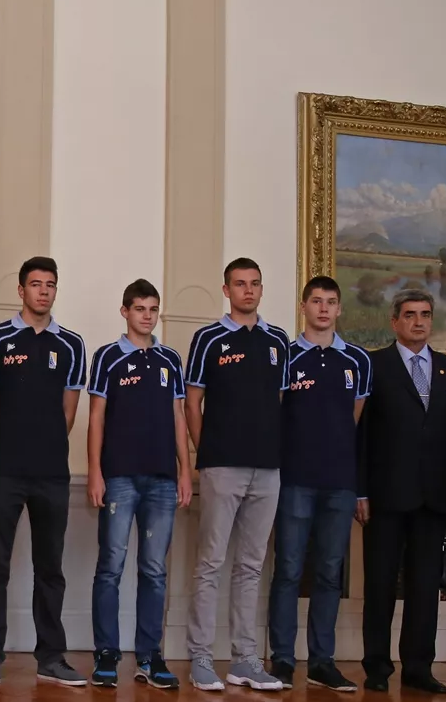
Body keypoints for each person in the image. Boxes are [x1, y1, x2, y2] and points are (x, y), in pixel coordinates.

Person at [0, 256, 88, 688]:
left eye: (50, 284)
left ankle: (51, 658)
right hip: (3, 472)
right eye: (36, 284)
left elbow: (68, 413)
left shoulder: (72, 344)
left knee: (50, 568)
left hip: (52, 474)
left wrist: (44, 447)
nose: (43, 291)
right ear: (21, 290)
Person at [183, 256, 292, 691]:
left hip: (268, 469)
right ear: (226, 290)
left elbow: (279, 401)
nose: (248, 290)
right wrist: (206, 450)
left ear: (261, 289)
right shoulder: (208, 339)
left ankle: (245, 659)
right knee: (210, 563)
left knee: (251, 565)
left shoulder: (278, 340)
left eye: (255, 283)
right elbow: (193, 402)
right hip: (221, 465)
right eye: (240, 284)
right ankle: (201, 657)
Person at [357, 288, 446, 693]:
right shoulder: (373, 364)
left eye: (425, 314)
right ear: (395, 321)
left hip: (434, 499)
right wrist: (360, 492)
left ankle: (419, 668)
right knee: (380, 586)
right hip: (384, 497)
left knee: (424, 589)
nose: (418, 322)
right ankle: (377, 668)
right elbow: (360, 435)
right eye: (409, 314)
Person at [265, 276, 370, 692]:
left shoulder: (358, 361)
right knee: (289, 570)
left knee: (329, 573)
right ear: (303, 307)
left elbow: (353, 419)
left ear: (339, 309)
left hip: (339, 484)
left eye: (330, 302)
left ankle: (322, 662)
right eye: (316, 301)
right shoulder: (286, 357)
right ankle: (282, 659)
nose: (323, 309)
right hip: (294, 481)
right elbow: (275, 417)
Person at [84, 278, 189, 690]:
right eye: (140, 309)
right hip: (119, 477)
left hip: (162, 479)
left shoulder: (170, 359)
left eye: (153, 309)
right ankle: (106, 654)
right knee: (110, 567)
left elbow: (179, 416)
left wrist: (185, 470)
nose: (147, 316)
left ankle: (150, 655)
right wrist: (95, 472)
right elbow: (96, 417)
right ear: (125, 311)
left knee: (155, 570)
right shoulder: (107, 357)